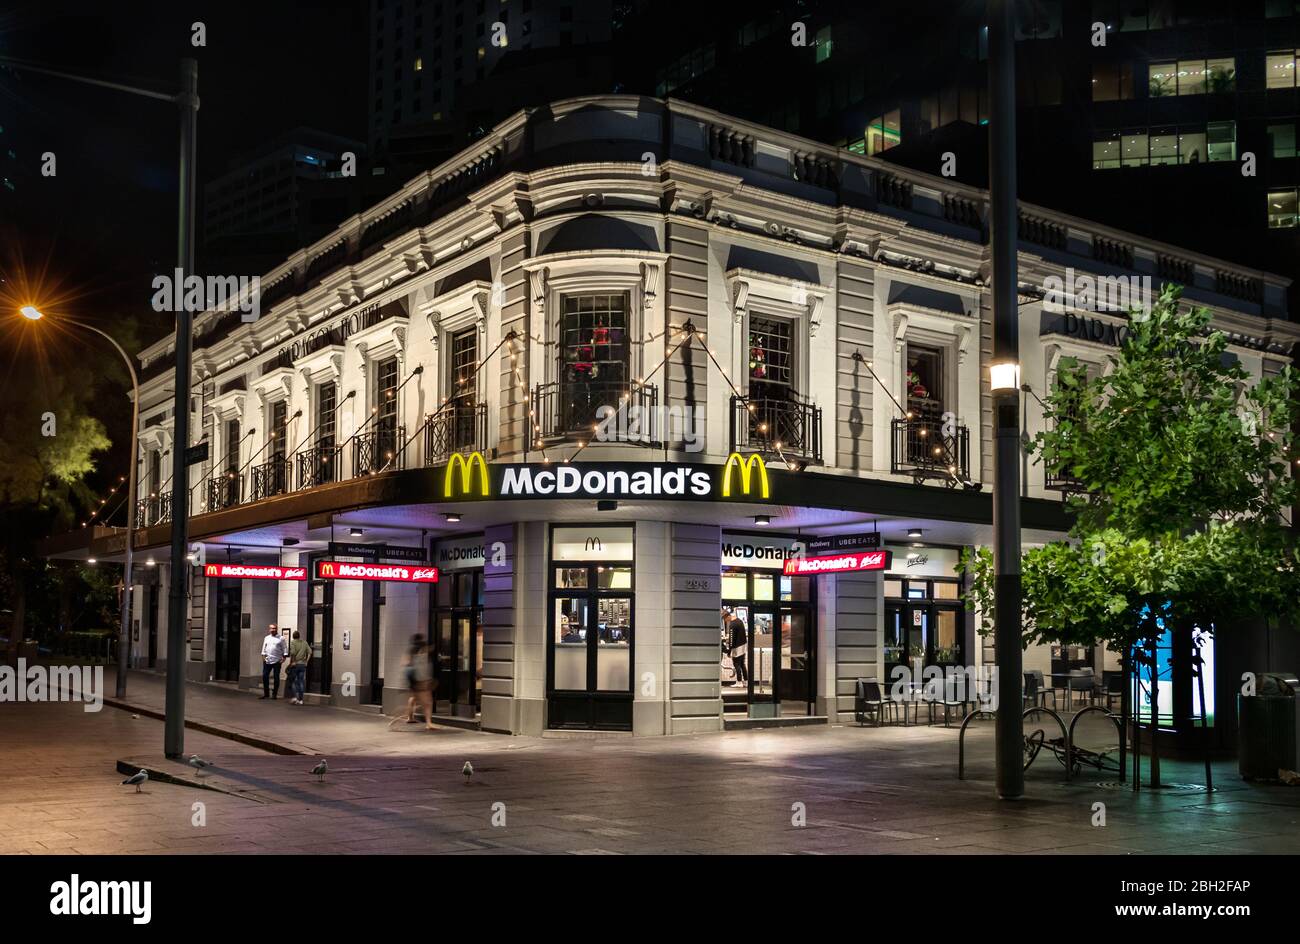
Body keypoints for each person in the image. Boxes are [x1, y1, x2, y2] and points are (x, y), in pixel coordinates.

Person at [403, 633, 436, 730]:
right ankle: (429, 723)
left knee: (413, 698)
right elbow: (423, 668)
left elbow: (406, 663)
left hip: (412, 679)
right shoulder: (423, 650)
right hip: (420, 679)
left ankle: (410, 717)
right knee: (428, 702)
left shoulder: (410, 650)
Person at [260, 624, 287, 699]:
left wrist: (284, 658)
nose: (273, 630)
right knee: (265, 676)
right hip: (267, 660)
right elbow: (263, 648)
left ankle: (274, 694)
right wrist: (263, 657)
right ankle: (266, 693)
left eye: (274, 628)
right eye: (271, 628)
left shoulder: (281, 638)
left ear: (277, 629)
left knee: (276, 677)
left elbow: (285, 648)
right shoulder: (266, 638)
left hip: (277, 661)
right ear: (269, 629)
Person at [723, 608, 748, 685]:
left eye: (725, 620)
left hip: (737, 647)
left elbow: (731, 640)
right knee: (742, 664)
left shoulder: (732, 624)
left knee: (736, 664)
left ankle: (739, 682)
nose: (726, 621)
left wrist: (729, 651)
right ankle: (746, 682)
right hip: (743, 646)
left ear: (727, 617)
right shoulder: (740, 621)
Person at [286, 629, 310, 705]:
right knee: (301, 682)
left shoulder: (293, 642)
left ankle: (295, 698)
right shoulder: (304, 642)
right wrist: (306, 661)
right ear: (299, 636)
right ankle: (301, 700)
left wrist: (292, 662)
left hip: (295, 664)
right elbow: (310, 652)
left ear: (293, 636)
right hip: (303, 665)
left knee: (293, 681)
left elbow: (292, 653)